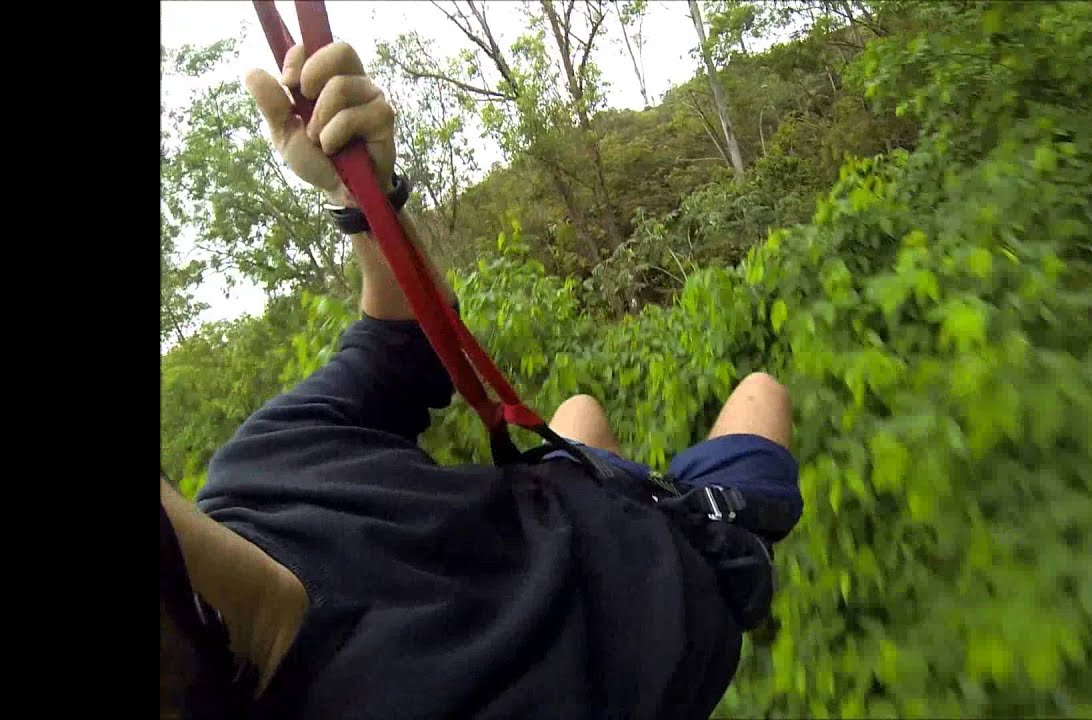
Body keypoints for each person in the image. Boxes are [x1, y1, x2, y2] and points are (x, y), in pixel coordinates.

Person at [159, 41, 803, 720]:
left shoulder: (265, 464)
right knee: (762, 391)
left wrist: (361, 198)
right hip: (696, 553)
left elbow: (403, 339)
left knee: (580, 408)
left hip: (577, 494)